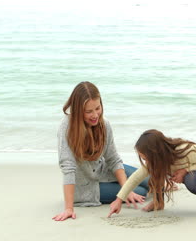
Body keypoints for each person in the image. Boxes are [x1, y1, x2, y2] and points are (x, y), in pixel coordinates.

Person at [52, 81, 148, 221]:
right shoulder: (67, 127)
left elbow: (113, 159)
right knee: (142, 191)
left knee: (150, 180)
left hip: (104, 170)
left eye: (98, 108)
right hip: (88, 187)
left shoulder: (104, 124)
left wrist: (126, 189)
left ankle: (165, 184)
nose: (95, 115)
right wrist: (68, 208)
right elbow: (68, 167)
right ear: (78, 110)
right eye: (88, 111)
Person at [108, 129, 196, 217]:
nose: (146, 162)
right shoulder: (158, 160)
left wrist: (185, 171)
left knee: (191, 180)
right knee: (155, 171)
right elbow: (136, 178)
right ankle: (158, 202)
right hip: (192, 174)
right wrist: (119, 200)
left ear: (155, 153)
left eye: (146, 158)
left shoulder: (185, 149)